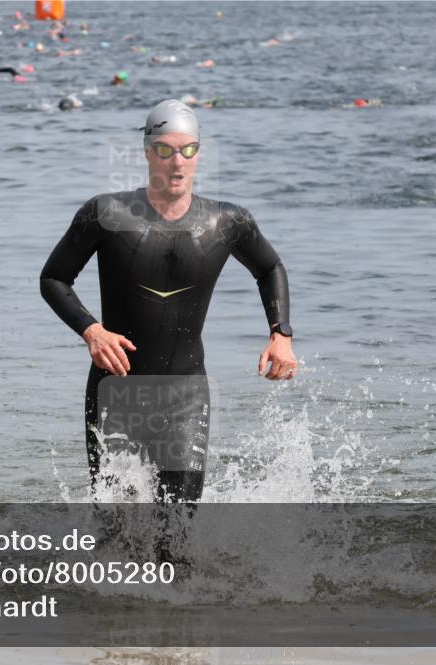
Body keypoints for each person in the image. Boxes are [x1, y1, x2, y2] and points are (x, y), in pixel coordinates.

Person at [40, 100, 296, 503]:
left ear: (198, 153)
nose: (177, 162)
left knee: (176, 533)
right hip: (116, 393)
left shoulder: (228, 221)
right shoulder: (106, 214)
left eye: (187, 150)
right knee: (119, 531)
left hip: (185, 396)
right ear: (146, 153)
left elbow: (269, 267)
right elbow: (54, 278)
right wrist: (92, 331)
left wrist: (281, 334)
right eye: (165, 150)